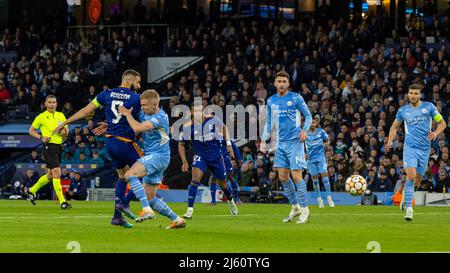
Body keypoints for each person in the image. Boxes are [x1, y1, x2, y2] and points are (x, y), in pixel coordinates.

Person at [54, 69, 146, 228]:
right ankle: (123, 204)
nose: (139, 86)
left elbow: (85, 111)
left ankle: (117, 218)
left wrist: (64, 123)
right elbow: (137, 123)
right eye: (137, 82)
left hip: (110, 143)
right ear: (130, 81)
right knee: (148, 169)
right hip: (125, 142)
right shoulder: (136, 98)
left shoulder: (106, 94)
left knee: (123, 177)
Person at [119, 89, 186, 229]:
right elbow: (131, 125)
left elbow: (137, 128)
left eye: (144, 105)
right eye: (141, 105)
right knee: (150, 198)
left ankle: (146, 210)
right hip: (152, 156)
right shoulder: (144, 113)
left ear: (154, 104)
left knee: (130, 174)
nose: (142, 108)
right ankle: (177, 220)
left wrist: (127, 114)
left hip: (158, 156)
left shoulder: (161, 117)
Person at [387, 83, 447, 221]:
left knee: (417, 181)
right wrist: (390, 142)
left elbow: (442, 123)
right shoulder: (403, 110)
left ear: (420, 94)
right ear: (408, 94)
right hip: (410, 148)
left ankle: (405, 198)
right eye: (411, 93)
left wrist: (436, 133)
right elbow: (394, 128)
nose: (413, 96)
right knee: (411, 176)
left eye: (415, 93)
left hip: (425, 150)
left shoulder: (429, 107)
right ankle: (409, 209)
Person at [260, 71, 312, 224]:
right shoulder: (271, 101)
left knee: (297, 177)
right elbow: (269, 123)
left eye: (284, 81)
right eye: (279, 81)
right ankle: (295, 207)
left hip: (295, 142)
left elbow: (308, 116)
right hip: (280, 143)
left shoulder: (296, 98)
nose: (281, 84)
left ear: (288, 84)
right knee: (283, 177)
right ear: (275, 83)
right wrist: (264, 139)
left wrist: (304, 130)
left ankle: (305, 210)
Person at [178, 104, 238, 219]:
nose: (198, 113)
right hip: (201, 156)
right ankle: (189, 210)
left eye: (200, 110)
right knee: (195, 179)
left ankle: (231, 201)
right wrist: (184, 162)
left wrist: (229, 144)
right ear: (191, 112)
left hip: (216, 157)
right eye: (195, 110)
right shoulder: (186, 127)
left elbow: (224, 128)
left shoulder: (212, 120)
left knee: (223, 184)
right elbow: (181, 144)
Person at [25, 95, 72, 209]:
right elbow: (31, 131)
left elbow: (67, 132)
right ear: (45, 104)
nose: (52, 104)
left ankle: (32, 190)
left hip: (59, 146)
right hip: (48, 147)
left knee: (50, 175)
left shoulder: (61, 115)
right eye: (49, 102)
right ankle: (62, 202)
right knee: (57, 172)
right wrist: (41, 138)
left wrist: (65, 133)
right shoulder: (41, 117)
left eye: (54, 102)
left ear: (56, 104)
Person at [306, 117, 335, 208]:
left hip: (321, 158)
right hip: (311, 160)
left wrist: (324, 145)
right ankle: (319, 199)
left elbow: (328, 141)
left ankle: (329, 197)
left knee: (325, 179)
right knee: (315, 181)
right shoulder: (305, 133)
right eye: (311, 122)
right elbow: (299, 144)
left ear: (316, 123)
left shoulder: (321, 132)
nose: (312, 123)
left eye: (314, 122)